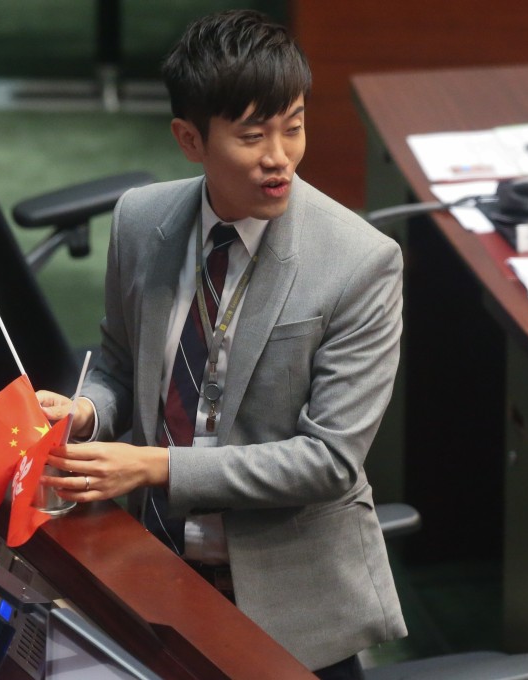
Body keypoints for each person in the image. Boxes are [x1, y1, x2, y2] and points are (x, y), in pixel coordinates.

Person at [37, 9, 406, 678]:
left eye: (292, 127)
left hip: (287, 607)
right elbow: (120, 363)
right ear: (190, 139)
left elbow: (329, 461)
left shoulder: (360, 262)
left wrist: (155, 468)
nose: (279, 158)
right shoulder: (140, 220)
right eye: (252, 135)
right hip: (151, 572)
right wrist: (87, 412)